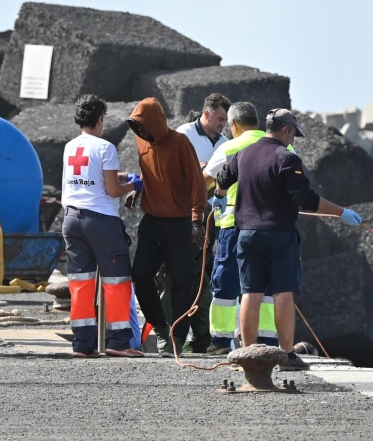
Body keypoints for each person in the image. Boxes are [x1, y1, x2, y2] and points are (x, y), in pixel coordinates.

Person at [215, 109, 363, 370]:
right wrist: (342, 213)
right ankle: (287, 356)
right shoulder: (286, 157)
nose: (293, 141)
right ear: (285, 130)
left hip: (246, 235)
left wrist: (218, 194)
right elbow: (307, 199)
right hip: (279, 235)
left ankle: (247, 354)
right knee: (283, 293)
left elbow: (222, 180)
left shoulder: (243, 154)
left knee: (250, 292)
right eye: (293, 135)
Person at [202, 102, 291, 355]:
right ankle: (267, 343)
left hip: (233, 226)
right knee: (264, 288)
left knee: (226, 285)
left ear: (233, 125)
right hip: (272, 227)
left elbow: (206, 181)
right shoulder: (283, 145)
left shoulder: (229, 147)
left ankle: (220, 342)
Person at [61, 94, 145, 358]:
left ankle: (82, 344)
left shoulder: (70, 147)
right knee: (117, 280)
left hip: (71, 219)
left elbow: (90, 174)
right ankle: (119, 342)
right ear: (100, 119)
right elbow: (111, 189)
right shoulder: (106, 147)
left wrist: (121, 177)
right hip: (100, 221)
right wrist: (134, 184)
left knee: (81, 282)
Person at [125, 97, 206, 357]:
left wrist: (196, 219)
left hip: (180, 222)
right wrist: (138, 188)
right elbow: (151, 173)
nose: (141, 132)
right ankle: (160, 327)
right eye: (136, 127)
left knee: (182, 279)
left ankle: (177, 336)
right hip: (152, 220)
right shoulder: (141, 141)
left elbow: (197, 183)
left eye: (144, 126)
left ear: (157, 124)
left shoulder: (180, 143)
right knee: (140, 274)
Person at [167, 93, 231, 353]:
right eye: (219, 118)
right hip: (183, 216)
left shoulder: (225, 143)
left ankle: (200, 338)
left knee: (202, 273)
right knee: (181, 274)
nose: (223, 124)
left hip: (211, 218)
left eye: (226, 120)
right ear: (206, 113)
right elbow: (171, 169)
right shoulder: (184, 134)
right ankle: (176, 336)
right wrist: (203, 168)